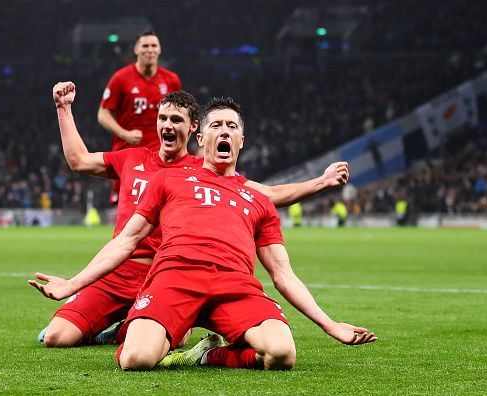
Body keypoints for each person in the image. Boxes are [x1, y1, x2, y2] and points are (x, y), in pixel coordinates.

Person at [29, 97, 376, 371]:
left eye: (231, 126)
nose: (223, 131)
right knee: (136, 360)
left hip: (234, 286)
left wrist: (330, 325)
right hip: (173, 279)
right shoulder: (167, 179)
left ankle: (205, 356)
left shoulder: (256, 198)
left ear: (242, 139)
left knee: (282, 354)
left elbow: (283, 274)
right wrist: (73, 284)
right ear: (201, 137)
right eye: (216, 126)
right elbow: (126, 240)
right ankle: (145, 335)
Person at [97, 31, 181, 204]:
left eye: (153, 46)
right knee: (127, 209)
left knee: (161, 205)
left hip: (160, 155)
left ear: (159, 49)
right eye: (145, 46)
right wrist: (124, 134)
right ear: (136, 49)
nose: (149, 50)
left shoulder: (171, 80)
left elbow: (180, 116)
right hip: (128, 154)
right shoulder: (121, 78)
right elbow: (103, 114)